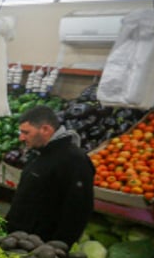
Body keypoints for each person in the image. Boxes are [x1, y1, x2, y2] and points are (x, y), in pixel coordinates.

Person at [6, 105, 94, 246]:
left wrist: (56, 249)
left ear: (45, 129)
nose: (21, 137)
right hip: (19, 240)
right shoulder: (39, 153)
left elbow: (78, 211)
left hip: (40, 247)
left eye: (26, 132)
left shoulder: (75, 160)